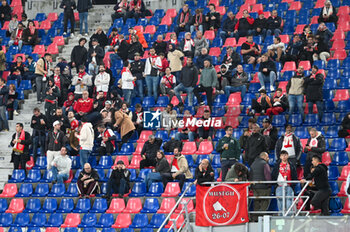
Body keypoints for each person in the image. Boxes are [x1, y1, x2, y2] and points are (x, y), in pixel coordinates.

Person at [271, 150, 298, 215]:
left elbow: (295, 176)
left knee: (289, 202)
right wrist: (276, 185)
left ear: (288, 156)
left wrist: (292, 185)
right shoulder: (277, 166)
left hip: (289, 186)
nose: (284, 157)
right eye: (282, 155)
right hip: (279, 187)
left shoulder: (291, 165)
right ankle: (281, 217)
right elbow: (273, 176)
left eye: (285, 155)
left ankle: (289, 218)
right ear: (280, 157)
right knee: (280, 202)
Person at [249, 152, 271, 222]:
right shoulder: (265, 164)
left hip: (255, 187)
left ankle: (255, 218)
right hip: (264, 187)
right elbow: (268, 176)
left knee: (256, 203)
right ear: (264, 157)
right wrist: (269, 185)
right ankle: (262, 219)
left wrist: (252, 186)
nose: (268, 158)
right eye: (267, 157)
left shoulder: (253, 164)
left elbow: (250, 176)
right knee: (264, 203)